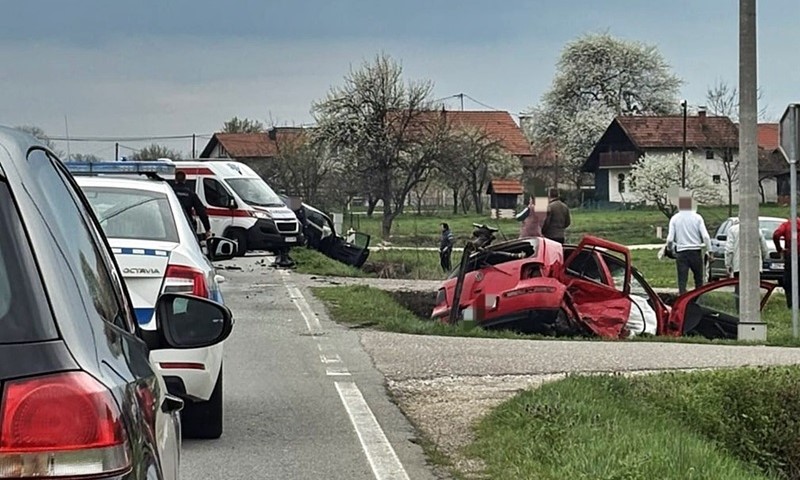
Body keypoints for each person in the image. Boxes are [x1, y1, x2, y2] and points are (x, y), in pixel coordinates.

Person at [666, 196, 712, 294]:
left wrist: (669, 249)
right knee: (699, 280)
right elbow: (706, 237)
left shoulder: (675, 219)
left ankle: (683, 301)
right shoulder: (697, 218)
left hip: (681, 253)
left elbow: (670, 239)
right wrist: (710, 250)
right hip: (695, 252)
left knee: (682, 281)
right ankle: (698, 299)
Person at [725, 217, 769, 309]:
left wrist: (728, 264)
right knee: (753, 290)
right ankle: (754, 310)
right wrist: (764, 259)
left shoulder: (733, 230)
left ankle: (739, 310)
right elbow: (764, 248)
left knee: (739, 290)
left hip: (739, 266)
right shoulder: (756, 230)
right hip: (755, 266)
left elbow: (729, 249)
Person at [172, 171, 212, 241]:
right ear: (185, 180)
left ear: (175, 180)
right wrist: (207, 229)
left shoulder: (171, 192)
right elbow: (201, 212)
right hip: (187, 224)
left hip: (172, 225)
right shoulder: (190, 194)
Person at [772, 216, 800, 309]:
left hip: (791, 254)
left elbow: (776, 234)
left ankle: (791, 304)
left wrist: (779, 249)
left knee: (789, 279)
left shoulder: (787, 224)